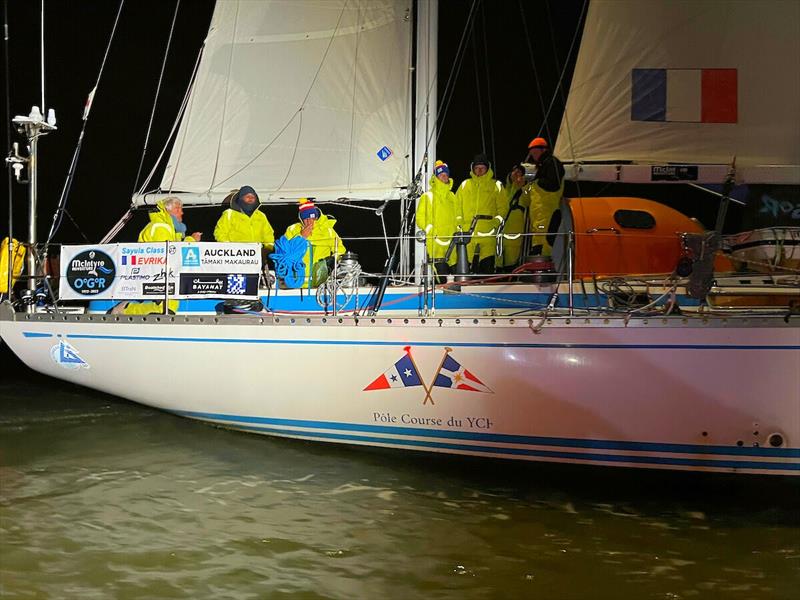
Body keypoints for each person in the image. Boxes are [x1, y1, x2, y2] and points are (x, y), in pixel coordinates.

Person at [119, 196, 200, 315]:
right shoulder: (161, 227)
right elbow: (169, 252)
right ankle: (127, 309)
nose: (182, 212)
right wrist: (191, 240)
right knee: (166, 309)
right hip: (155, 273)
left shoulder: (170, 229)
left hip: (164, 273)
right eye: (178, 209)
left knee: (170, 306)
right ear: (168, 210)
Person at [454, 153, 504, 274]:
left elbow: (503, 208)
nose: (480, 170)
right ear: (472, 168)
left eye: (482, 167)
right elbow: (456, 206)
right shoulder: (465, 184)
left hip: (488, 233)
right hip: (468, 233)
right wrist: (459, 223)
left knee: (487, 268)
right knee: (464, 268)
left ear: (488, 168)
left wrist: (495, 222)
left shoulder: (496, 185)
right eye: (477, 167)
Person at [279, 199, 345, 287]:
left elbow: (341, 251)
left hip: (321, 283)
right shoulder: (292, 230)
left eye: (312, 218)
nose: (309, 221)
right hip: (296, 282)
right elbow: (283, 252)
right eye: (306, 218)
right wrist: (301, 236)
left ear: (316, 217)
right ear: (301, 219)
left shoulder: (328, 231)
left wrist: (331, 260)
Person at [416, 160, 458, 281]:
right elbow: (420, 218)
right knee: (441, 280)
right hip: (436, 244)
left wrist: (459, 229)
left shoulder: (452, 196)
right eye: (440, 174)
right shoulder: (427, 196)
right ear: (436, 177)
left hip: (452, 244)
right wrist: (430, 229)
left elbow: (457, 216)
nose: (443, 176)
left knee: (458, 279)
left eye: (445, 174)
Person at [526, 137, 564, 256]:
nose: (533, 155)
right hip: (540, 215)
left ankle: (545, 262)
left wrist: (537, 182)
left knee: (545, 241)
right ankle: (540, 259)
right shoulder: (543, 165)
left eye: (535, 152)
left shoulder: (551, 163)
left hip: (547, 213)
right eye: (532, 153)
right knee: (539, 238)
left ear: (543, 150)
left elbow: (554, 184)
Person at [213, 185, 275, 252]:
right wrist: (228, 247)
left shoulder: (261, 215)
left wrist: (268, 249)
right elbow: (219, 232)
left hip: (257, 253)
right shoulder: (229, 214)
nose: (250, 199)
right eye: (247, 196)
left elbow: (268, 234)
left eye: (253, 197)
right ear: (241, 198)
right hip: (237, 253)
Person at [498, 164, 531, 270]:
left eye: (520, 173)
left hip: (514, 236)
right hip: (499, 234)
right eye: (515, 172)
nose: (517, 174)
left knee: (511, 265)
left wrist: (523, 186)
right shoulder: (502, 189)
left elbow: (529, 200)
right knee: (498, 264)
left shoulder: (525, 190)